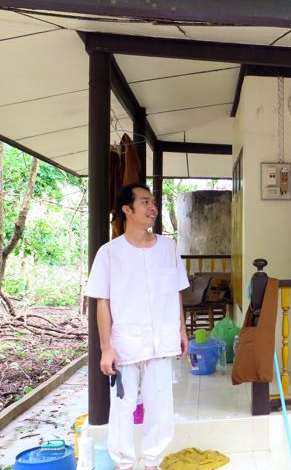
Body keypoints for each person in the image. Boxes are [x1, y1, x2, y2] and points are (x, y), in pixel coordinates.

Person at [85, 183, 190, 470]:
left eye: (153, 201)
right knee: (123, 407)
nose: (152, 207)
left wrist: (182, 331)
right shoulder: (109, 253)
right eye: (145, 202)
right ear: (127, 210)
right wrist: (106, 348)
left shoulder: (168, 248)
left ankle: (152, 462)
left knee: (160, 406)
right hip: (125, 343)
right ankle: (126, 464)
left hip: (162, 340)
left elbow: (176, 292)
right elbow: (102, 303)